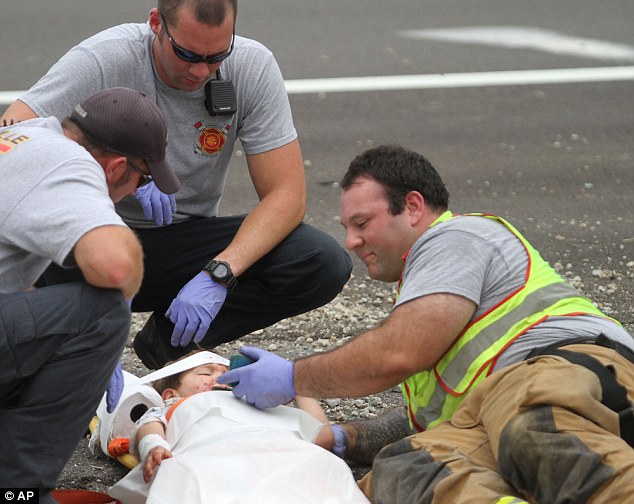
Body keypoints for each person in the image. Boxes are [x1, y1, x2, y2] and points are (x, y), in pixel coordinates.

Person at [217, 145, 634, 503]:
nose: (351, 242)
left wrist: (294, 377)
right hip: (487, 418)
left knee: (533, 425)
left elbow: (399, 353)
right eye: (347, 229)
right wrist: (342, 437)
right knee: (403, 471)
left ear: (413, 207)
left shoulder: (457, 236)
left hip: (569, 370)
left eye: (362, 224)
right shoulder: (425, 297)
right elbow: (422, 421)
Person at [1, 0, 352, 371]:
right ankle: (57, 355)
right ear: (156, 23)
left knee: (319, 260)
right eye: (186, 54)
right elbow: (11, 138)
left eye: (217, 56)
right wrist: (127, 179)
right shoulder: (106, 57)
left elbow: (287, 195)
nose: (200, 70)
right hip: (92, 236)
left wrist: (220, 272)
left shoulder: (251, 67)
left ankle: (171, 343)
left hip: (180, 242)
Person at [0, 87, 180, 504]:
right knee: (101, 314)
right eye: (142, 179)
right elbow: (115, 265)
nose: (136, 192)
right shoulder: (71, 163)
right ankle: (18, 491)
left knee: (43, 311)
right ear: (117, 167)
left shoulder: (23, 139)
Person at [108, 351, 370, 504]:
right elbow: (148, 425)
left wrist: (297, 383)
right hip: (209, 457)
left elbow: (320, 434)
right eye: (205, 373)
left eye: (226, 372)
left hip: (285, 454)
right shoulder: (171, 407)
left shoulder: (264, 407)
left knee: (324, 467)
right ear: (170, 394)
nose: (221, 377)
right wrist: (153, 444)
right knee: (191, 481)